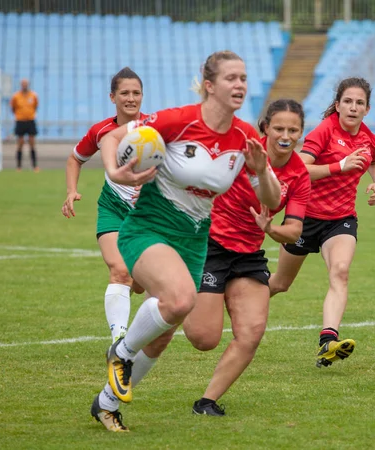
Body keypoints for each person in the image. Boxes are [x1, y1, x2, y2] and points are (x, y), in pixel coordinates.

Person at [88, 50, 281, 432]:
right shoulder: (178, 120)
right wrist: (116, 172)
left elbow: (272, 201)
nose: (240, 84)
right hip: (149, 228)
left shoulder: (245, 136)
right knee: (179, 299)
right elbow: (111, 136)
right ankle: (121, 353)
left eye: (243, 78)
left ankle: (106, 404)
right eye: (231, 78)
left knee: (162, 336)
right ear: (209, 85)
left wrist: (262, 171)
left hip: (194, 241)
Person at [183, 99, 311, 416]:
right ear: (265, 127)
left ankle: (206, 402)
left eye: (292, 129)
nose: (285, 135)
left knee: (252, 332)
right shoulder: (242, 151)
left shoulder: (299, 174)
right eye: (279, 127)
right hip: (211, 245)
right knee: (204, 338)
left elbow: (294, 231)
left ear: (300, 133)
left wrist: (271, 229)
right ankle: (171, 291)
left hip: (249, 254)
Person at [269, 77, 375, 368]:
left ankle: (328, 341)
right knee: (280, 284)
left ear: (367, 109)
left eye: (359, 103)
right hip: (304, 217)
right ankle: (230, 298)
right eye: (348, 101)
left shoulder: (370, 138)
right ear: (337, 104)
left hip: (341, 219)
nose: (353, 107)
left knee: (341, 272)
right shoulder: (324, 131)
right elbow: (299, 171)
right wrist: (339, 166)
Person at [62, 67, 146, 345]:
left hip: (149, 214)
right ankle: (119, 340)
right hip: (112, 209)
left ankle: (138, 283)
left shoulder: (156, 128)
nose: (131, 98)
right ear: (113, 97)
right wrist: (72, 191)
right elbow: (75, 159)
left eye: (136, 93)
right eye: (124, 93)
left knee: (141, 281)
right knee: (120, 271)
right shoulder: (101, 131)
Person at [10, 79, 39, 171]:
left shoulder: (33, 95)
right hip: (20, 121)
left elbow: (35, 106)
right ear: (21, 85)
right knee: (20, 143)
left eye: (26, 84)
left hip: (30, 120)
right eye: (23, 84)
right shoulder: (16, 96)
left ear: (28, 85)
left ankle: (35, 166)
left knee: (32, 143)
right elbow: (13, 108)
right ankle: (19, 166)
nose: (24, 85)